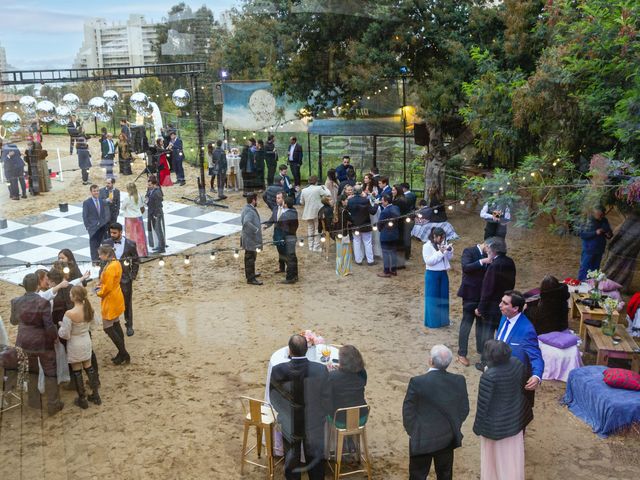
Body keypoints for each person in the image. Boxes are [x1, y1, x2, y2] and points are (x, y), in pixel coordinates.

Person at [403, 345, 469, 480]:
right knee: (445, 475)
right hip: (446, 438)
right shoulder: (458, 381)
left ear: (431, 361)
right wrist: (452, 427)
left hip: (422, 438)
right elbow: (464, 409)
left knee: (417, 475)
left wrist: (413, 431)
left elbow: (408, 411)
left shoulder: (417, 382)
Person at [269, 334, 331, 480]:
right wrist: (320, 416)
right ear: (306, 350)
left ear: (290, 351)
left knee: (292, 461)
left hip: (290, 422)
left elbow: (274, 398)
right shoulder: (321, 370)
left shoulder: (279, 370)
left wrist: (285, 414)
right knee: (315, 462)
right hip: (314, 423)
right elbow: (327, 399)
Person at [473, 340, 532, 480]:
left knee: (494, 460)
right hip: (515, 419)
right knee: (512, 457)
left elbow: (483, 405)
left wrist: (477, 428)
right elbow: (523, 386)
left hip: (496, 427)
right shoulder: (517, 363)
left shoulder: (489, 376)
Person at [10, 273, 64, 415]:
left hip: (24, 341)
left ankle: (34, 401)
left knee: (33, 371)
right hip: (42, 342)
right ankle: (53, 404)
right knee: (50, 372)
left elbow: (13, 321)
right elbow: (48, 325)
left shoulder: (16, 301)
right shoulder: (42, 302)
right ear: (36, 286)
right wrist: (54, 337)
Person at [495, 290, 544, 408]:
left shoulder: (527, 330)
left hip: (515, 382)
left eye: (505, 303)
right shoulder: (504, 317)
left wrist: (537, 376)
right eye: (501, 301)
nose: (500, 305)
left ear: (515, 308)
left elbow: (536, 356)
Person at [475, 237, 516, 370]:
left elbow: (487, 289)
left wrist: (481, 308)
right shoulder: (510, 262)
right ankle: (501, 359)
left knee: (488, 336)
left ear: (493, 251)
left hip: (492, 306)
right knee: (502, 333)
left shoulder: (494, 265)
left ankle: (486, 362)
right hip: (505, 304)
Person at [58, 285, 101, 409]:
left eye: (71, 294)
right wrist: (85, 329)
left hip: (75, 342)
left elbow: (65, 334)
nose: (69, 295)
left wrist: (61, 326)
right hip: (86, 340)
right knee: (89, 367)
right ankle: (95, 395)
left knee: (77, 371)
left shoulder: (69, 313)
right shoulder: (89, 309)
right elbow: (95, 324)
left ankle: (82, 399)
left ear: (75, 296)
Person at [103, 222, 140, 337]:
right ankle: (115, 323)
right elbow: (102, 261)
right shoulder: (106, 243)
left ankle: (129, 325)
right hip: (110, 278)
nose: (112, 235)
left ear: (120, 232)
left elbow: (136, 261)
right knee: (111, 300)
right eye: (111, 233)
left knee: (127, 302)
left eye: (114, 233)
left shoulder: (130, 244)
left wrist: (132, 276)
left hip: (125, 279)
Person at [457, 241, 490, 366]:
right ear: (486, 245)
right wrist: (483, 261)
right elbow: (466, 267)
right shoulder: (469, 251)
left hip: (482, 296)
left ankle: (481, 350)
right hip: (470, 295)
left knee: (480, 324)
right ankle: (462, 353)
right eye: (490, 249)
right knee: (467, 323)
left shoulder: (490, 256)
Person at [96, 245, 130, 364]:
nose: (99, 257)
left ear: (107, 255)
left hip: (110, 299)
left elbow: (107, 288)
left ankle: (124, 353)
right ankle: (122, 354)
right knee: (116, 324)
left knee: (108, 328)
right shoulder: (116, 263)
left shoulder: (110, 267)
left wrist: (98, 292)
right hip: (116, 296)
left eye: (101, 254)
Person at [327, 345, 368, 426]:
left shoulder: (332, 377)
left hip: (340, 420)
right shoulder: (362, 372)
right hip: (362, 416)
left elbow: (327, 395)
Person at [264, 193, 299, 283]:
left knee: (289, 256)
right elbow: (272, 219)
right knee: (283, 253)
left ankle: (291, 276)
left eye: (279, 198)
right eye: (276, 198)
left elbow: (283, 227)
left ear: (284, 201)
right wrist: (267, 225)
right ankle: (286, 270)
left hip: (285, 237)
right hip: (283, 236)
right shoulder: (291, 211)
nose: (276, 200)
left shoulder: (286, 215)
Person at [423, 227, 453, 327]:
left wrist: (448, 251)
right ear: (434, 236)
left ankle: (444, 321)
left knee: (444, 297)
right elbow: (429, 261)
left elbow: (448, 258)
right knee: (432, 298)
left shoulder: (442, 244)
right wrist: (440, 252)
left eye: (443, 238)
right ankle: (433, 322)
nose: (442, 240)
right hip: (432, 274)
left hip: (443, 273)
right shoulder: (426, 246)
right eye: (440, 238)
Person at [578, 206, 613, 280]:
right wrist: (595, 232)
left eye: (602, 215)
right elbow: (582, 235)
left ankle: (593, 285)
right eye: (599, 215)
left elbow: (609, 233)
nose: (601, 217)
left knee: (595, 270)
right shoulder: (587, 221)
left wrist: (608, 234)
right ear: (594, 212)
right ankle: (581, 283)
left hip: (599, 250)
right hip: (588, 250)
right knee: (585, 268)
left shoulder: (604, 220)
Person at [347, 185, 378, 266]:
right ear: (361, 191)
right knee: (367, 242)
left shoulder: (350, 201)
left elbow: (348, 211)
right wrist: (376, 204)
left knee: (356, 242)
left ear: (353, 192)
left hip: (355, 224)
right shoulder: (365, 200)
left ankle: (358, 260)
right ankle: (370, 261)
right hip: (366, 224)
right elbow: (373, 212)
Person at [300, 175, 329, 252]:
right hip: (317, 212)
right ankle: (316, 247)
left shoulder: (304, 190)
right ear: (316, 181)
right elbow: (328, 194)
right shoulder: (318, 188)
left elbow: (301, 202)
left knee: (310, 229)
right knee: (317, 229)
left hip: (308, 212)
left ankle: (310, 246)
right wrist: (324, 187)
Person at [82, 184, 111, 262]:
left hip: (102, 227)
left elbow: (103, 214)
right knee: (94, 246)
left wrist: (104, 222)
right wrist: (88, 227)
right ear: (91, 192)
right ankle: (95, 262)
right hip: (93, 229)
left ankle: (105, 260)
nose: (96, 192)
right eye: (94, 191)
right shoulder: (87, 202)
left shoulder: (101, 201)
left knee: (104, 245)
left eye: (97, 191)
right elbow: (85, 216)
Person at [120, 182, 148, 257]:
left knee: (130, 236)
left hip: (129, 218)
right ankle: (142, 252)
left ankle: (132, 253)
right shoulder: (139, 195)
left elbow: (122, 207)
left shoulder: (127, 198)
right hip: (138, 217)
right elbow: (142, 206)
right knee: (140, 236)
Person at [241, 193, 263, 285]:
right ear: (253, 200)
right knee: (250, 258)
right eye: (256, 199)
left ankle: (250, 274)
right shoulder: (250, 211)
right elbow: (246, 223)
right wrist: (256, 229)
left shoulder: (247, 208)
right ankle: (251, 278)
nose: (257, 201)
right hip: (250, 239)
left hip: (249, 238)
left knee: (250, 257)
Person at [377, 194, 400, 278]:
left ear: (386, 201)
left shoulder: (384, 212)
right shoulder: (396, 208)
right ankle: (393, 270)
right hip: (394, 234)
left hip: (386, 235)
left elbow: (380, 224)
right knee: (393, 252)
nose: (381, 202)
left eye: (382, 200)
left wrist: (380, 230)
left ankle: (386, 271)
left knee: (386, 253)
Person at [333, 193, 353, 277]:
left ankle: (338, 270)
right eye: (346, 200)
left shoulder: (335, 210)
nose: (347, 201)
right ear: (342, 201)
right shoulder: (344, 211)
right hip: (344, 234)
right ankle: (345, 271)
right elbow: (351, 219)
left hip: (337, 234)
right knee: (347, 253)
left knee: (339, 254)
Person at [145, 175, 166, 254]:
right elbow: (148, 195)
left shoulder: (157, 192)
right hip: (152, 211)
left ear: (154, 184)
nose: (148, 186)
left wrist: (156, 215)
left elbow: (158, 205)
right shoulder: (151, 190)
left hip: (156, 213)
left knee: (158, 230)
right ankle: (160, 245)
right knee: (156, 230)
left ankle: (162, 247)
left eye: (150, 185)